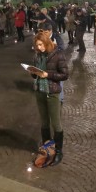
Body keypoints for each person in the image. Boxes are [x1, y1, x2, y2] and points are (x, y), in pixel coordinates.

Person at [30, 32, 69, 166]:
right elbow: (36, 75)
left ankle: (58, 151)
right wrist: (33, 73)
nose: (39, 48)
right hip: (40, 91)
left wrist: (48, 74)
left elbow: (64, 75)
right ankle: (48, 149)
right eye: (37, 45)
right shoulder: (37, 55)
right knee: (44, 123)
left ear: (47, 43)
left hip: (52, 93)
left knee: (56, 123)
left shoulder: (58, 54)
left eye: (41, 45)